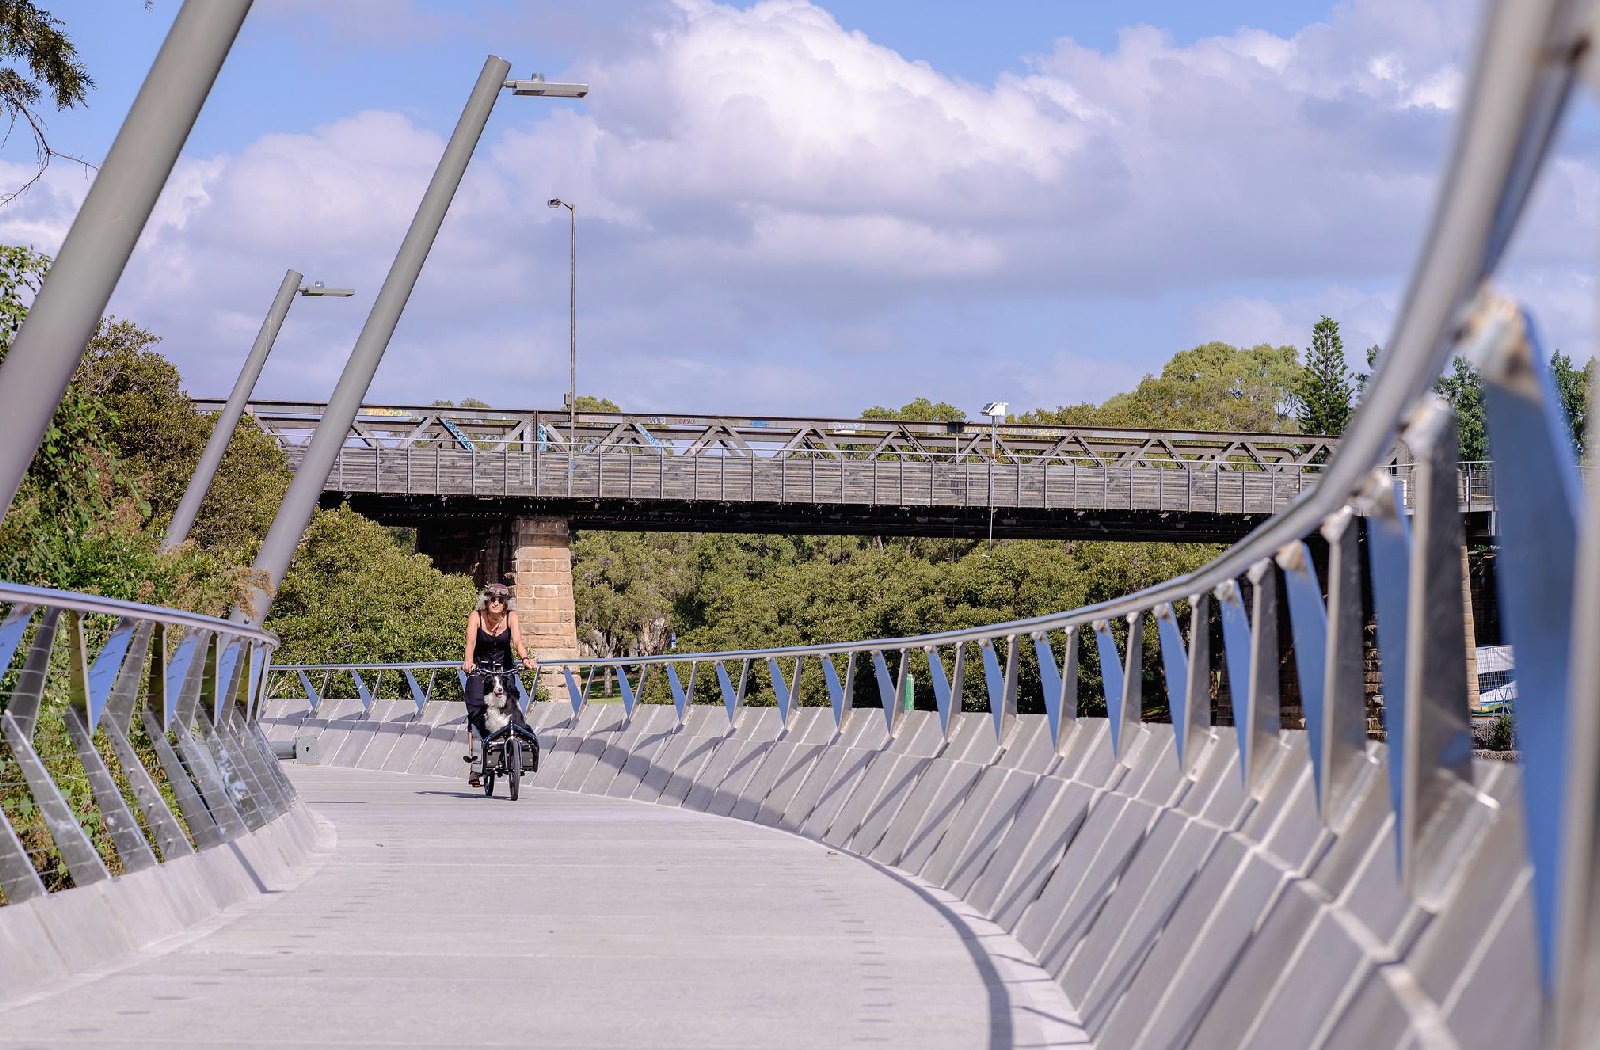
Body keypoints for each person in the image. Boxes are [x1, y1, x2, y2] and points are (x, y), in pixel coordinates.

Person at [462, 583, 536, 785]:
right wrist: (468, 662)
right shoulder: (476, 616)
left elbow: (518, 642)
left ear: (506, 603)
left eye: (500, 600)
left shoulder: (511, 616)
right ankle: (476, 767)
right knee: (476, 713)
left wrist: (526, 658)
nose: (496, 603)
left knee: (513, 708)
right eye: (492, 599)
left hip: (504, 671)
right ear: (486, 601)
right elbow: (471, 643)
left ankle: (515, 749)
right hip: (481, 672)